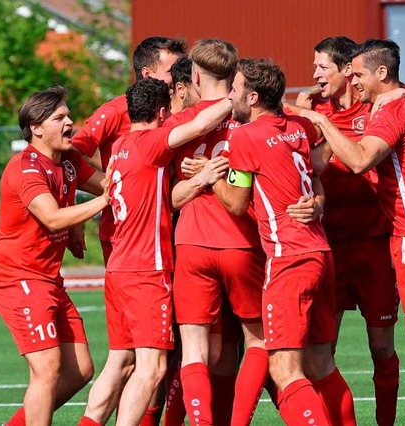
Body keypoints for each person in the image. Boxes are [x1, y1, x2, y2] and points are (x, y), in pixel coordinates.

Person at [293, 36, 405, 426]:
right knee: (319, 349)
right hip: (334, 243)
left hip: (390, 240)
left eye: (322, 67)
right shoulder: (318, 106)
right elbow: (310, 164)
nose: (315, 75)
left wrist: (402, 98)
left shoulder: (386, 105)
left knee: (395, 343)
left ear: (349, 71)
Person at [77, 78, 233, 426]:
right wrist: (235, 95)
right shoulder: (151, 142)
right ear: (162, 111)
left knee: (120, 363)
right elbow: (201, 124)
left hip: (119, 267)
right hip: (147, 269)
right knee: (153, 367)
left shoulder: (120, 145)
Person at [212, 58, 355, 426]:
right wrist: (318, 202)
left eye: (236, 88)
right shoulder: (297, 127)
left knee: (283, 368)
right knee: (322, 365)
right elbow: (313, 179)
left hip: (288, 258)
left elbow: (237, 202)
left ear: (254, 97)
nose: (231, 95)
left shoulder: (243, 137)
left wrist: (210, 177)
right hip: (321, 253)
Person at [0, 85, 110, 426]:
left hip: (48, 280)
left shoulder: (68, 159)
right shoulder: (25, 168)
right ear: (37, 127)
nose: (70, 121)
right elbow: (53, 216)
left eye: (68, 114)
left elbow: (107, 183)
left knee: (81, 369)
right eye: (60, 117)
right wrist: (99, 205)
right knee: (47, 369)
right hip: (19, 280)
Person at [167, 39, 268, 426]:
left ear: (193, 75)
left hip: (191, 243)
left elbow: (170, 197)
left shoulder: (181, 123)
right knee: (257, 341)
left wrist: (202, 176)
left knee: (195, 349)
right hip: (242, 241)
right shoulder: (249, 116)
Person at [72, 36, 186, 265]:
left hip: (174, 229)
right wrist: (108, 187)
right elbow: (70, 154)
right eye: (174, 70)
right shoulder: (115, 110)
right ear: (147, 73)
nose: (180, 76)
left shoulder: (186, 108)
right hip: (124, 235)